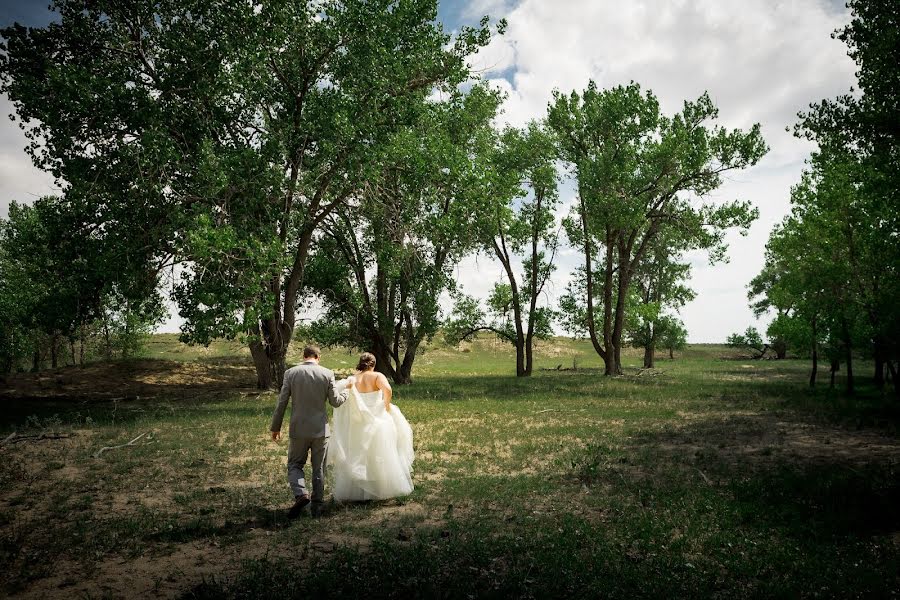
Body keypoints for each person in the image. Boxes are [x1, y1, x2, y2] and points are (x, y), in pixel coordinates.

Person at [270, 344, 348, 518]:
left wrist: (276, 426)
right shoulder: (327, 373)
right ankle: (317, 507)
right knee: (318, 467)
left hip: (298, 428)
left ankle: (301, 494)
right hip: (321, 430)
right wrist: (346, 395)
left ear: (304, 356)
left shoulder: (291, 373)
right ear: (318, 358)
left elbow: (282, 402)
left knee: (295, 464)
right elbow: (335, 401)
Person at [328, 352, 414, 501]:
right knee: (381, 452)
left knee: (360, 454)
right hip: (377, 417)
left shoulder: (353, 378)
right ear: (373, 364)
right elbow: (387, 390)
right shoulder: (377, 376)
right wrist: (386, 405)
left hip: (358, 420)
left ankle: (358, 492)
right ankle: (382, 487)